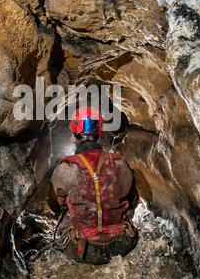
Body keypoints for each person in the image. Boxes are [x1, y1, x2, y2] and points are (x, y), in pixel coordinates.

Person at [50, 107, 139, 264]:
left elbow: (56, 205)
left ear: (74, 137)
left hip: (85, 250)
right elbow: (133, 202)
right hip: (121, 245)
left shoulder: (66, 165)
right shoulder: (119, 162)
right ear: (99, 135)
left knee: (65, 222)